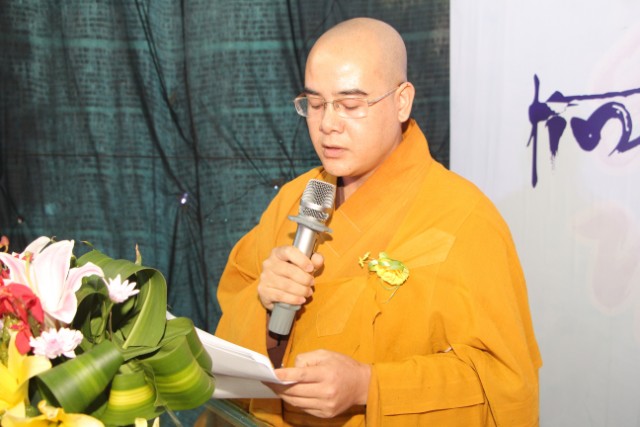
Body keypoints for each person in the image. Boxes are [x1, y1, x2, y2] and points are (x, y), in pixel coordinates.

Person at [215, 17, 542, 426]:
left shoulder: (464, 219)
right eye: (315, 104)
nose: (327, 124)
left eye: (351, 105)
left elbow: (504, 386)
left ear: (402, 101)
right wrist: (263, 304)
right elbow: (228, 333)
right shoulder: (295, 200)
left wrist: (368, 386)